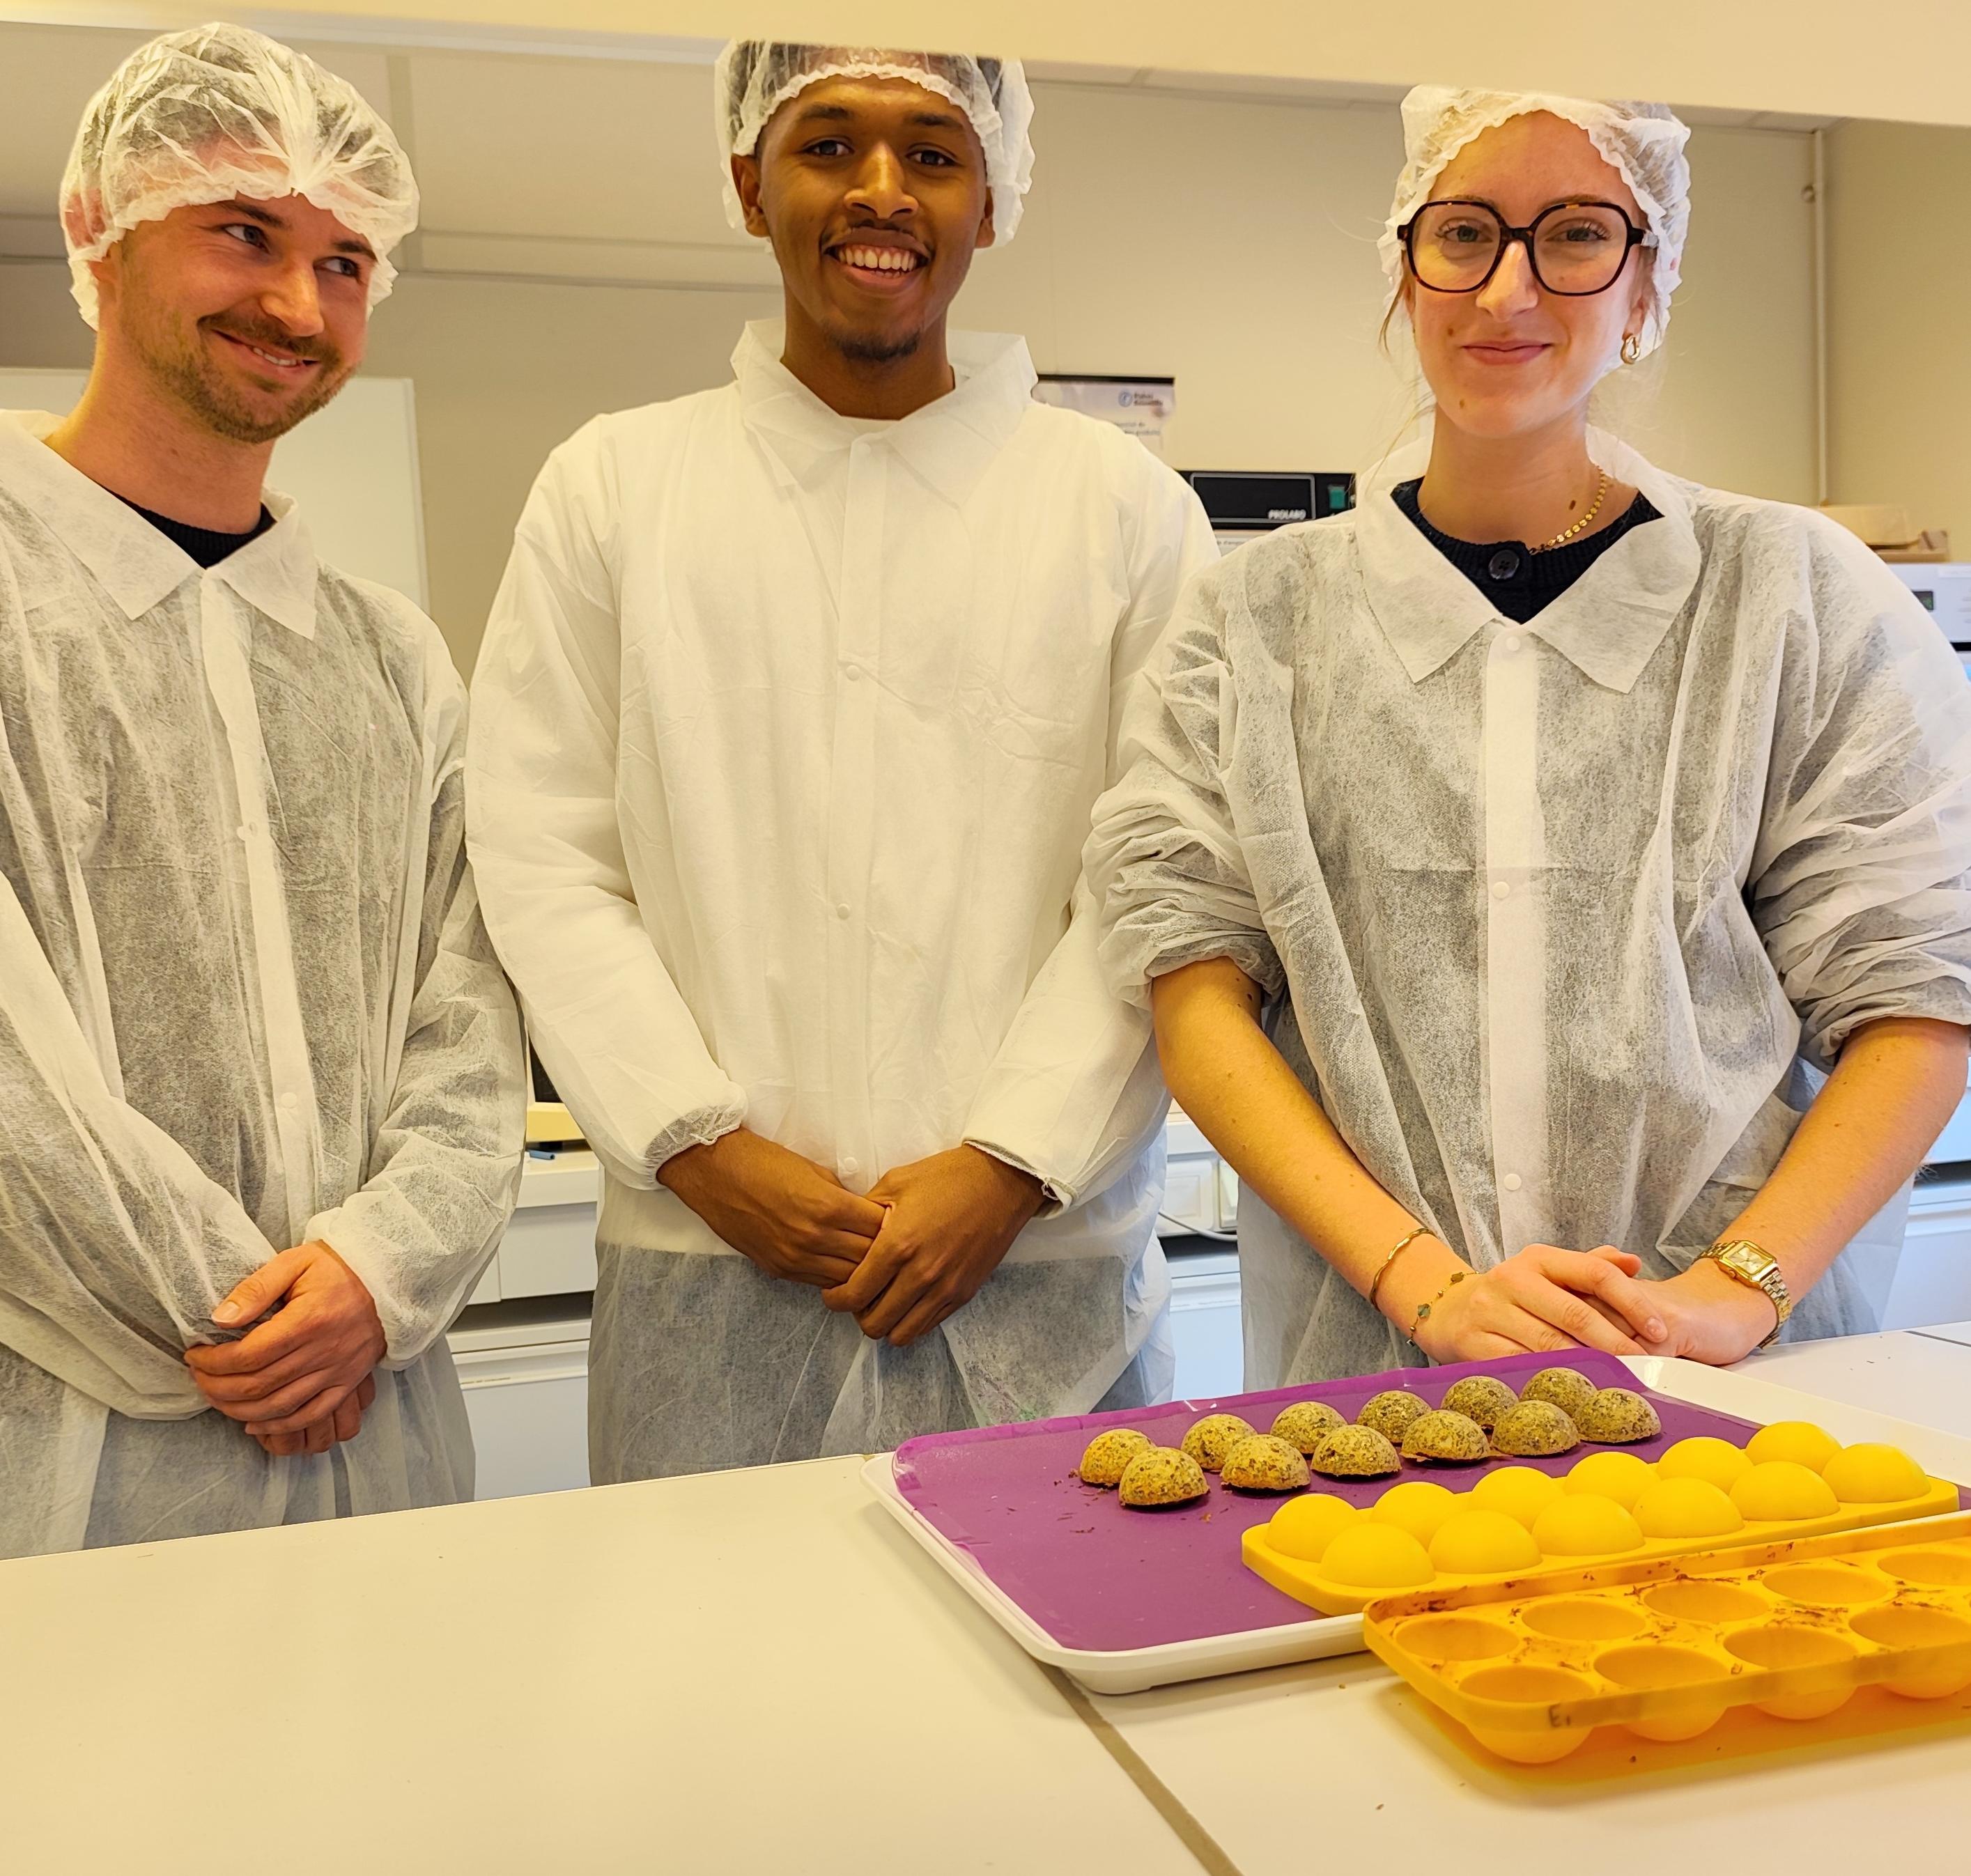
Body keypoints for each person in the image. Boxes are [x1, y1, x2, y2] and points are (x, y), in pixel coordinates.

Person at [1088, 87, 1971, 1387]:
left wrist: (1731, 1290)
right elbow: (1193, 983)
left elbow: (1915, 995)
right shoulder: (1253, 622)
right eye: (1462, 233)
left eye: (1573, 235)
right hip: (1374, 1369)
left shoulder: (1788, 596)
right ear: (1405, 271)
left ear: (1644, 283)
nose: (1507, 289)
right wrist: (1423, 1283)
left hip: (1718, 1363)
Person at [468, 42, 1216, 1480]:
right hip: (707, 1264)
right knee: (714, 1630)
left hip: (1040, 1266)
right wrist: (697, 1145)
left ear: (991, 201)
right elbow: (538, 849)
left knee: (1055, 1618)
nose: (882, 190)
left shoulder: (1120, 506)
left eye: (932, 153)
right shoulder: (615, 487)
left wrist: (1011, 1160)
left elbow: (1162, 876)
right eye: (827, 145)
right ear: (750, 188)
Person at [0, 24, 526, 1558]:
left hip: (381, 1431)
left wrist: (376, 1271)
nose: (299, 304)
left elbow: (471, 1008)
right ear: (99, 230)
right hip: (69, 1450)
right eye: (244, 233)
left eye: (344, 261)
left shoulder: (390, 659)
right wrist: (241, 1329)